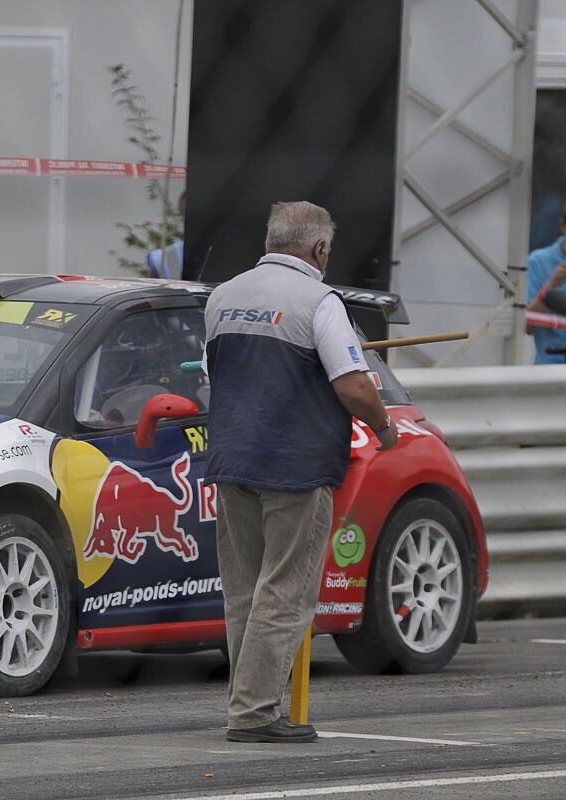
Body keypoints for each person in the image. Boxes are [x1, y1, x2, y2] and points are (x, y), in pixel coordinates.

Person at [203, 201, 397, 743]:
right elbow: (354, 386)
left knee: (244, 590)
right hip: (296, 464)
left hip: (231, 459)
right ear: (319, 249)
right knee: (285, 592)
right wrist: (384, 428)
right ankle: (255, 713)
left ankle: (248, 706)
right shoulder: (321, 300)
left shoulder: (223, 296)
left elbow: (215, 373)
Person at [524, 202, 566, 364]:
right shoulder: (537, 261)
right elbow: (526, 327)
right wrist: (550, 286)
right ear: (562, 225)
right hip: (549, 372)